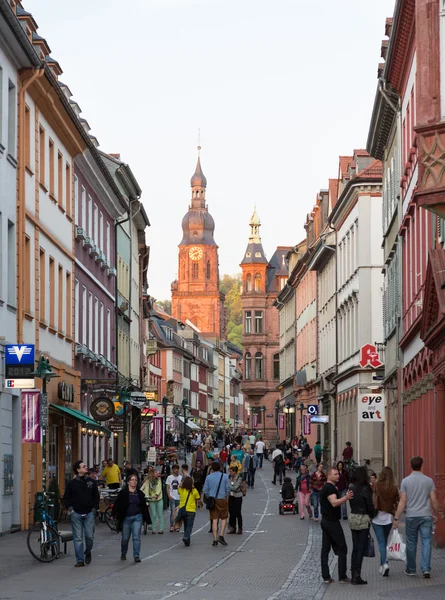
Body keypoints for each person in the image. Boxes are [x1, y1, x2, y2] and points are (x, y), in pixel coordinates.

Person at [393, 456, 439, 578]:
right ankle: (425, 569)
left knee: (411, 542)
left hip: (412, 515)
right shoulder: (428, 481)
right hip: (426, 515)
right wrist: (437, 513)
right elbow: (433, 500)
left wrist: (396, 518)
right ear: (422, 465)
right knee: (426, 541)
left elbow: (403, 501)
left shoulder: (405, 481)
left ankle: (411, 569)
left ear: (410, 466)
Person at [320, 466, 353, 584]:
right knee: (342, 547)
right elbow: (334, 503)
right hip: (331, 522)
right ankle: (342, 576)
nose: (338, 476)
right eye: (335, 474)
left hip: (325, 521)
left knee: (325, 549)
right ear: (329, 476)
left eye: (338, 474)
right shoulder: (330, 489)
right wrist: (346, 497)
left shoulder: (328, 487)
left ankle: (326, 576)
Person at [63, 460, 100, 567]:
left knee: (89, 537)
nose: (86, 467)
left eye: (85, 466)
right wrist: (71, 509)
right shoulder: (72, 483)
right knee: (78, 538)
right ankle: (80, 560)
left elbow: (96, 497)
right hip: (76, 514)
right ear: (78, 470)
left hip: (89, 513)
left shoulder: (91, 482)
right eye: (83, 466)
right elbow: (66, 497)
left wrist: (94, 509)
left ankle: (88, 551)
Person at [111, 473, 150, 562]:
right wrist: (113, 514)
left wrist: (147, 518)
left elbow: (143, 506)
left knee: (136, 537)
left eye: (135, 480)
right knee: (125, 538)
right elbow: (117, 504)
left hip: (137, 517)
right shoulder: (123, 493)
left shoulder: (140, 493)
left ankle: (136, 555)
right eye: (132, 480)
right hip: (126, 518)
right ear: (128, 482)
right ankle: (123, 553)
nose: (134, 482)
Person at [348, 466, 376, 585]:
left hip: (353, 516)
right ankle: (357, 575)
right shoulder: (366, 489)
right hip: (363, 518)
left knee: (355, 547)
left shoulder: (352, 487)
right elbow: (369, 506)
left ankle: (353, 571)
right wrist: (374, 513)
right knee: (361, 547)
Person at [372, 466, 399, 576]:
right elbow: (397, 501)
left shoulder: (377, 486)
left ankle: (384, 563)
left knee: (381, 543)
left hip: (377, 518)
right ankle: (383, 564)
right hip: (388, 519)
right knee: (384, 541)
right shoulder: (393, 488)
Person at [203, 461, 230, 547]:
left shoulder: (208, 477)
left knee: (214, 519)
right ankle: (221, 535)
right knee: (224, 518)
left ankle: (214, 540)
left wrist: (210, 497)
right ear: (220, 468)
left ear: (212, 469)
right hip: (222, 499)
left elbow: (205, 491)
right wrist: (226, 498)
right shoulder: (225, 476)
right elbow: (228, 489)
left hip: (213, 500)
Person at [178, 476, 201, 546]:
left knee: (186, 525)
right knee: (189, 526)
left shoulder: (181, 490)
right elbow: (198, 499)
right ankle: (186, 537)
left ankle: (187, 541)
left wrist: (182, 484)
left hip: (183, 510)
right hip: (191, 511)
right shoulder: (194, 491)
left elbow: (179, 487)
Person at [141, 468, 164, 534]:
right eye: (156, 472)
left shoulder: (159, 480)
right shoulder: (147, 481)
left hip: (159, 498)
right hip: (151, 499)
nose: (157, 473)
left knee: (160, 514)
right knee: (153, 515)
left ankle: (161, 529)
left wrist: (156, 495)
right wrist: (142, 494)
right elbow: (142, 488)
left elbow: (159, 488)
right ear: (152, 474)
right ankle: (153, 529)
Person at [166, 464, 182, 532]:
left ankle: (177, 525)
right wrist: (169, 495)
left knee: (178, 512)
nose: (176, 470)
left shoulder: (181, 477)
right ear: (172, 470)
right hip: (172, 496)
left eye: (177, 469)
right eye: (175, 469)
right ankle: (171, 525)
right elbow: (168, 487)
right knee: (172, 511)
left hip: (179, 497)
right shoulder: (169, 477)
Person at [227, 466, 243, 534]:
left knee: (238, 512)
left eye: (231, 471)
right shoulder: (230, 477)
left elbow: (236, 487)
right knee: (231, 512)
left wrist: (228, 487)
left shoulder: (239, 478)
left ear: (235, 472)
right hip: (231, 496)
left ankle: (240, 528)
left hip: (238, 497)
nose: (230, 473)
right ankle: (233, 527)